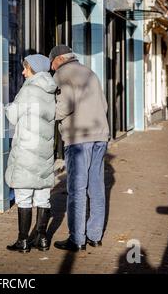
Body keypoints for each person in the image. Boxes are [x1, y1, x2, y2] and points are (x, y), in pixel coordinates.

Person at [49, 45, 110, 252]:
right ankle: (94, 236)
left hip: (78, 139)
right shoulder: (89, 72)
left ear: (57, 60)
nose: (51, 67)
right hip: (100, 136)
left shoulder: (62, 74)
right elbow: (105, 106)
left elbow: (65, 105)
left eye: (51, 63)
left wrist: (47, 114)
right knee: (97, 187)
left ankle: (77, 239)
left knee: (77, 189)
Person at [5, 54, 57, 253]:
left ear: (34, 69)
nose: (23, 72)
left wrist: (8, 106)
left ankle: (23, 240)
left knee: (24, 195)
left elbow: (13, 116)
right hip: (44, 149)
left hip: (27, 148)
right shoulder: (50, 89)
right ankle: (42, 239)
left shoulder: (28, 89)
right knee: (43, 195)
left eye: (26, 68)